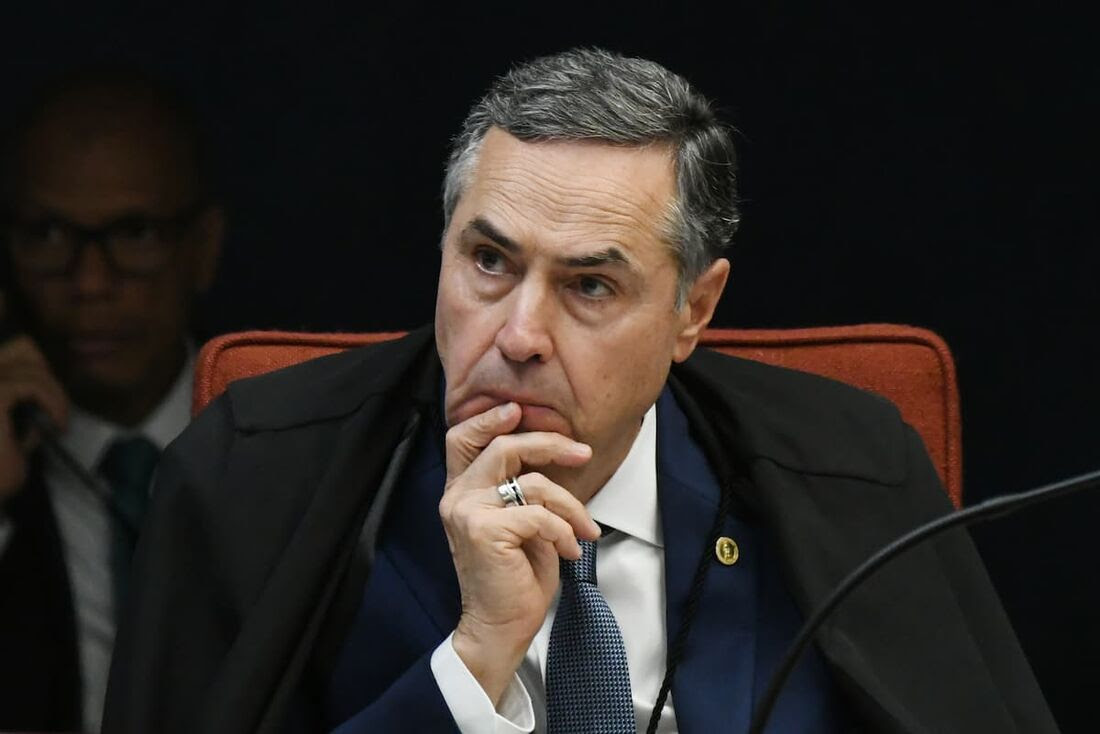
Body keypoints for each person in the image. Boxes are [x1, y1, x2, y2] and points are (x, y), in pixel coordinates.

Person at [104, 49, 1055, 733]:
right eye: (488, 261)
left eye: (590, 286)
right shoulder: (252, 474)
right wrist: (476, 659)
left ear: (693, 311)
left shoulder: (848, 468)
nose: (518, 335)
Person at [0, 71, 223, 732]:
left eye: (135, 233)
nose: (91, 281)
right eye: (48, 235)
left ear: (203, 248)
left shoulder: (292, 448)